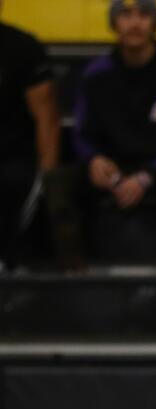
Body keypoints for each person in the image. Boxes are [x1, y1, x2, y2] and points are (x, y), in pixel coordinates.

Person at [43, 0, 156, 272]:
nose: (135, 23)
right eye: (126, 15)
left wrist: (148, 174)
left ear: (155, 22)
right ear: (114, 23)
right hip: (111, 164)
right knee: (56, 179)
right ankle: (72, 266)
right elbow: (82, 134)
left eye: (143, 14)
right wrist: (93, 159)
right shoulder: (97, 73)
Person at [0, 3, 58, 272]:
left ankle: (9, 264)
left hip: (12, 160)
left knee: (11, 183)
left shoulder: (21, 47)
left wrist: (48, 172)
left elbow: (46, 116)